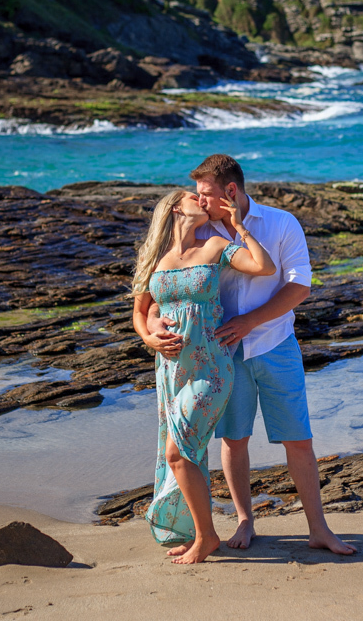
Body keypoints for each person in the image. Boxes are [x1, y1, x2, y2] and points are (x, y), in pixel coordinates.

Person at [146, 155, 357, 556]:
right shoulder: (201, 232)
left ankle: (319, 528)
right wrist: (154, 320)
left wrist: (250, 322)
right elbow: (168, 287)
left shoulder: (280, 223)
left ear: (230, 191)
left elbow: (299, 286)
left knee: (298, 439)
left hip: (276, 344)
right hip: (222, 353)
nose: (200, 201)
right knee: (234, 439)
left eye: (206, 193)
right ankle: (245, 519)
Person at [131, 188, 276, 564]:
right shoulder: (156, 259)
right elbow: (141, 312)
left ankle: (206, 537)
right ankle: (198, 533)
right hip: (170, 370)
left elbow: (264, 267)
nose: (202, 199)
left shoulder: (215, 245)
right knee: (185, 454)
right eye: (192, 196)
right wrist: (151, 335)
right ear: (176, 207)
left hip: (210, 368)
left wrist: (239, 227)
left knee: (178, 453)